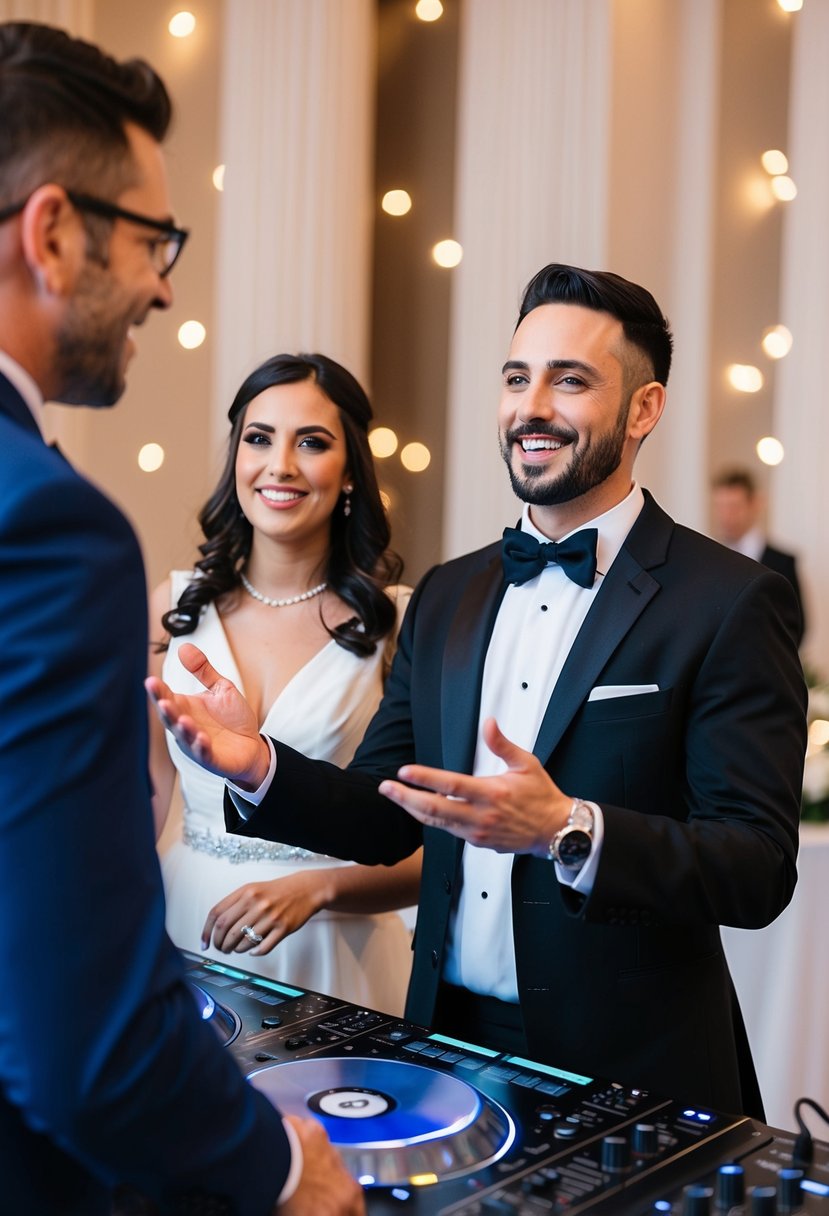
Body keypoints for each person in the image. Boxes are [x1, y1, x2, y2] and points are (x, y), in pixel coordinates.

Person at [148, 263, 807, 1122]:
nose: (531, 407)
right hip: (441, 1046)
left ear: (643, 409)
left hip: (631, 1064)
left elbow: (756, 868)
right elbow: (386, 811)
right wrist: (257, 764)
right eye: (515, 378)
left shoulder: (725, 600)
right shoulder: (451, 596)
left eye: (569, 380)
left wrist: (568, 829)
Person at [0, 21, 362, 1216]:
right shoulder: (55, 530)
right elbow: (80, 1046)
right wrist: (280, 1172)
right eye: (153, 238)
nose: (163, 282)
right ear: (53, 231)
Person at [151, 352, 420, 1012]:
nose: (281, 465)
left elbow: (433, 842)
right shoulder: (172, 604)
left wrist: (318, 888)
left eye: (312, 443)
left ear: (351, 469)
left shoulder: (398, 619)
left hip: (335, 948)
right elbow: (157, 794)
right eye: (259, 438)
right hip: (186, 923)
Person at [711, 465, 806, 645]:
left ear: (754, 505)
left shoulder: (782, 562)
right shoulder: (710, 558)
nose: (725, 516)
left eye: (733, 506)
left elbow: (798, 626)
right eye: (720, 507)